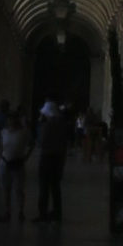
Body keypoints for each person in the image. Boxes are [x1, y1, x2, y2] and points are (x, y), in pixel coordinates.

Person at [35, 94, 74, 227]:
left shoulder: (47, 125)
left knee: (44, 187)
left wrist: (40, 124)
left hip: (47, 157)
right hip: (58, 158)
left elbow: (41, 142)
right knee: (55, 187)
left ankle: (43, 214)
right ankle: (57, 213)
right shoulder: (63, 123)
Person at [0, 103, 30, 223]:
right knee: (6, 189)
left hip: (18, 162)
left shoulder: (24, 132)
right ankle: (7, 211)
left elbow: (31, 144)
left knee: (19, 189)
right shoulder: (3, 132)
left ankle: (20, 211)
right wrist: (1, 155)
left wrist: (26, 157)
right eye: (10, 119)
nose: (12, 121)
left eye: (14, 119)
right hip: (5, 162)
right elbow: (1, 145)